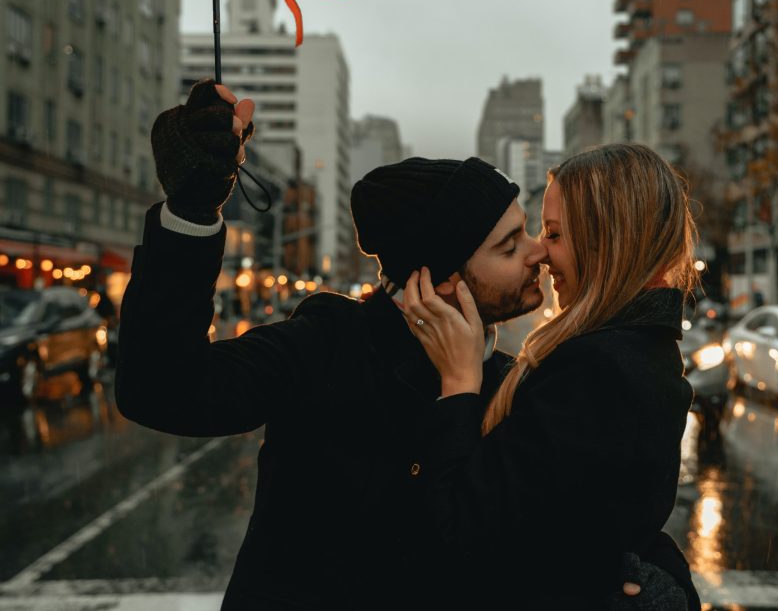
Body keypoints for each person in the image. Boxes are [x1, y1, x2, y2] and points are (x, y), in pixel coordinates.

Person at [116, 80, 662, 608]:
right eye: (509, 244)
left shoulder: (506, 377)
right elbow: (162, 389)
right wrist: (191, 212)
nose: (538, 253)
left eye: (530, 232)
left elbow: (582, 511)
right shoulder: (327, 345)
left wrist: (656, 578)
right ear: (445, 277)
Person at [400, 144, 703, 610]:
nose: (540, 251)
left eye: (555, 234)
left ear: (608, 243)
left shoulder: (600, 371)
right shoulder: (640, 351)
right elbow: (602, 522)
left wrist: (459, 385)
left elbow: (460, 534)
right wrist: (668, 576)